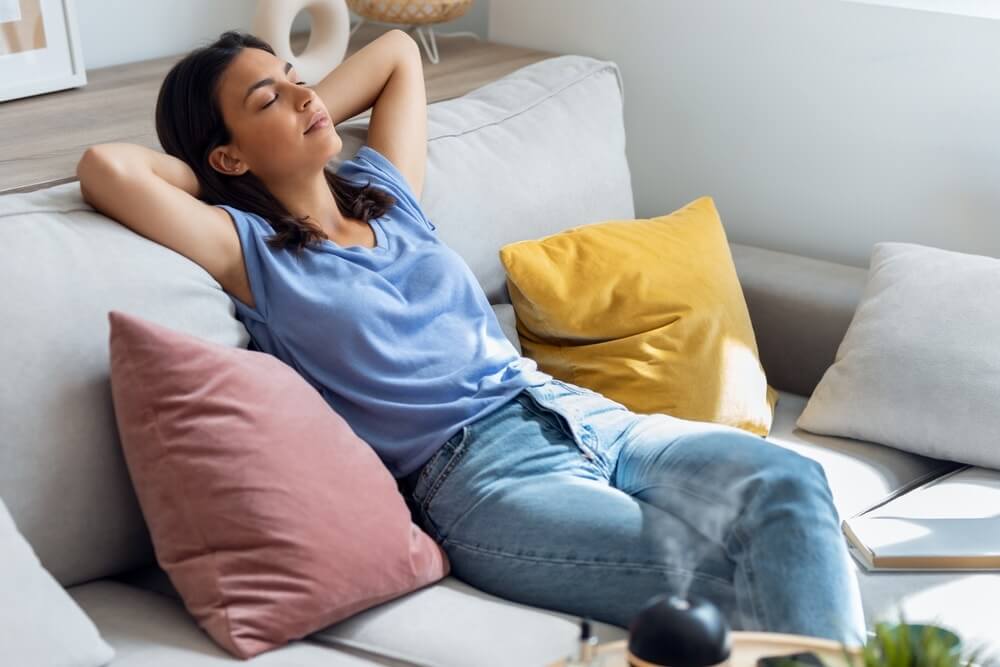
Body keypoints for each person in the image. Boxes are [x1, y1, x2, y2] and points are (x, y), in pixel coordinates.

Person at [76, 29, 867, 645]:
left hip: (586, 418)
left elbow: (392, 55)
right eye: (267, 99)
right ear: (225, 151)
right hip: (482, 482)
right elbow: (107, 168)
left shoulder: (387, 194)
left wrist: (280, 108)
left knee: (793, 485)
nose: (302, 95)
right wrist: (218, 174)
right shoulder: (250, 252)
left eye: (298, 79)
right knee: (730, 575)